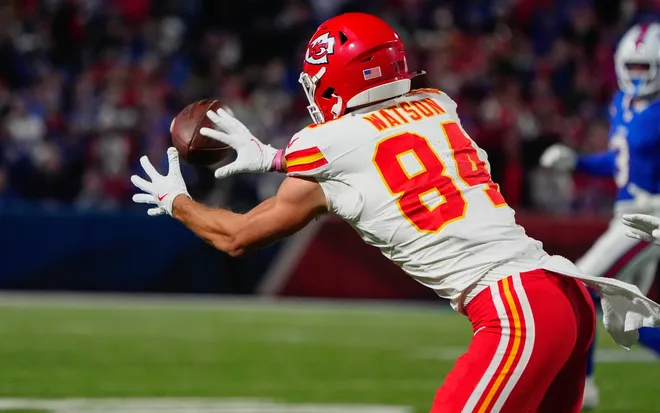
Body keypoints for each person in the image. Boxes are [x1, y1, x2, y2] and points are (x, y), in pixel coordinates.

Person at [131, 13, 660, 413]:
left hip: (516, 309)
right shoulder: (438, 104)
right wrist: (273, 155)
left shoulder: (325, 146)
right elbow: (366, 146)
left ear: (334, 81)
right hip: (565, 295)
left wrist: (176, 201)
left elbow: (237, 236)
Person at [539, 22, 660, 409]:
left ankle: (582, 389)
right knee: (626, 320)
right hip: (626, 215)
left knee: (579, 286)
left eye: (645, 67)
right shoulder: (622, 104)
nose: (637, 75)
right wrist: (577, 162)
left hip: (650, 218)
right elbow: (623, 161)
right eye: (633, 66)